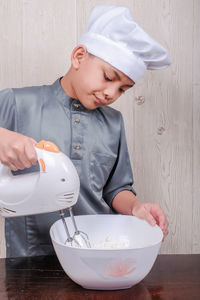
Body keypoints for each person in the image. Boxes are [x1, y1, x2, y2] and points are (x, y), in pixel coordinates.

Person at [0, 5, 170, 258]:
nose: (112, 93)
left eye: (123, 89)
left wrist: (136, 207)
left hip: (96, 254)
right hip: (30, 260)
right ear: (79, 56)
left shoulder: (114, 122)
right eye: (108, 77)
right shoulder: (16, 102)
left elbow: (115, 189)